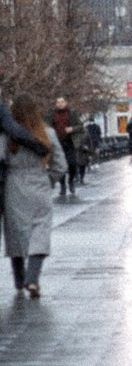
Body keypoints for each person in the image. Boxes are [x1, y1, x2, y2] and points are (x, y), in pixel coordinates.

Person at [3, 93, 65, 297]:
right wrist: (49, 180)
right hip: (39, 184)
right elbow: (60, 164)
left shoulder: (7, 136)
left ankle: (20, 280)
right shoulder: (47, 133)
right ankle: (33, 279)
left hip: (14, 186)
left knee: (16, 233)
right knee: (39, 232)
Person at [51, 96, 76, 199]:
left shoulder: (72, 113)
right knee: (61, 165)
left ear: (66, 103)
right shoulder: (53, 114)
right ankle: (62, 186)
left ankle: (71, 180)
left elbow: (80, 126)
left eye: (62, 102)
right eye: (58, 102)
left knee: (72, 164)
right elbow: (48, 126)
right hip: (58, 143)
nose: (60, 104)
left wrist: (72, 128)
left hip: (69, 142)